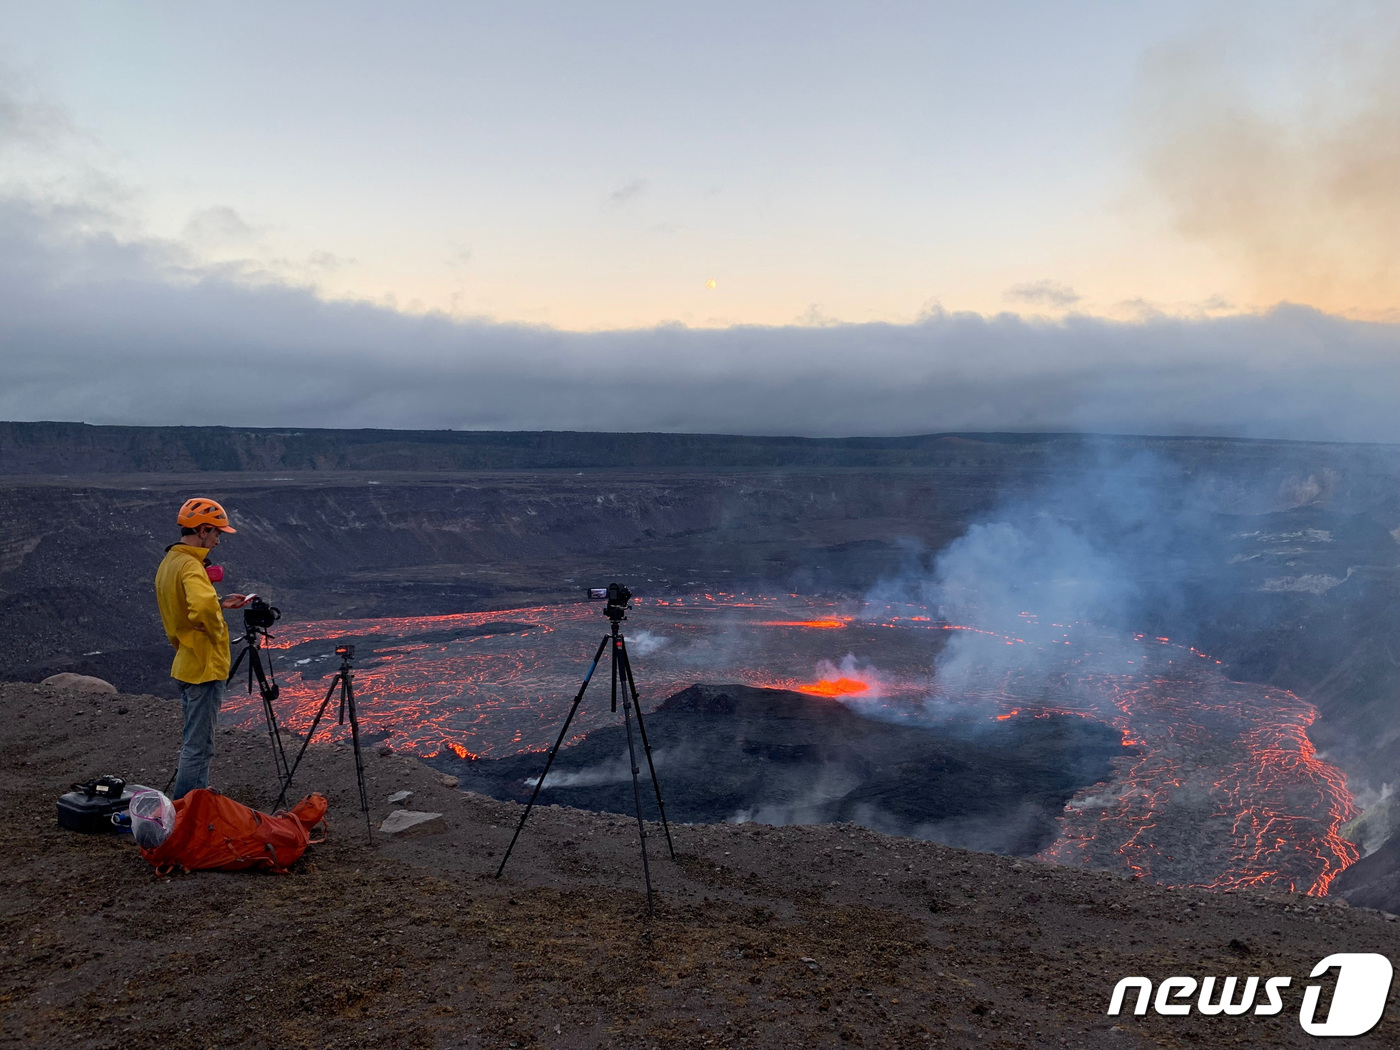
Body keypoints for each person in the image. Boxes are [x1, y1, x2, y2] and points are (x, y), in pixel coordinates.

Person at [154, 498, 246, 799]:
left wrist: (220, 604)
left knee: (194, 744)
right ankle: (185, 816)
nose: (218, 541)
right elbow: (201, 607)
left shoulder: (170, 562)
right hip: (203, 668)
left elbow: (185, 607)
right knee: (199, 748)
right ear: (203, 530)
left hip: (186, 662)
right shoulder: (192, 566)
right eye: (217, 533)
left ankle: (190, 806)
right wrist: (218, 627)